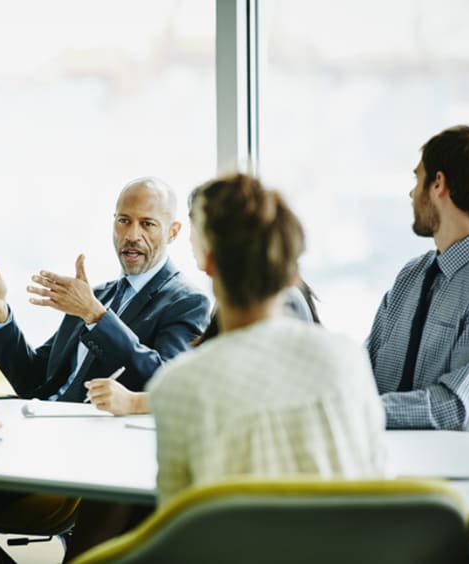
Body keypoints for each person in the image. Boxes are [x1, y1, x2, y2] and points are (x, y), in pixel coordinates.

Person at [147, 173, 386, 505]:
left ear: (209, 263)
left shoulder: (179, 387)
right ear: (290, 266)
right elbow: (378, 483)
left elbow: (177, 523)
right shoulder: (347, 358)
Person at [0, 176, 211, 402]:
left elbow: (165, 385)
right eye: (124, 220)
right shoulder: (95, 295)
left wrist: (95, 315)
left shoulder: (186, 301)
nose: (132, 235)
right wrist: (1, 314)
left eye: (148, 224)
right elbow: (33, 379)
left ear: (173, 232)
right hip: (46, 422)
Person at [85, 186, 321, 415]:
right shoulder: (237, 301)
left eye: (196, 226)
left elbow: (235, 394)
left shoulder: (280, 302)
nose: (190, 238)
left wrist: (134, 403)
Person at [366, 125, 469, 432]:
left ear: (438, 185)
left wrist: (356, 412)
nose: (412, 193)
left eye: (417, 178)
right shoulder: (411, 277)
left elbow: (456, 408)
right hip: (389, 464)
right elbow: (364, 372)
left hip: (464, 474)